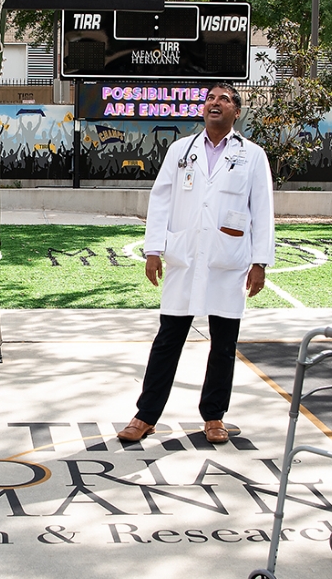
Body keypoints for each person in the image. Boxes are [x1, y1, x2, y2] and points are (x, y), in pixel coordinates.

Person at [117, 82, 275, 445]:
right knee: (168, 339)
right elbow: (160, 201)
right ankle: (146, 415)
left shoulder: (252, 156)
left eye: (223, 99)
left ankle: (215, 416)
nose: (214, 103)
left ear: (237, 111)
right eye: (209, 99)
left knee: (223, 344)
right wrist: (153, 250)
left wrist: (260, 262)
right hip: (184, 260)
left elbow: (262, 210)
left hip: (227, 261)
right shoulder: (181, 151)